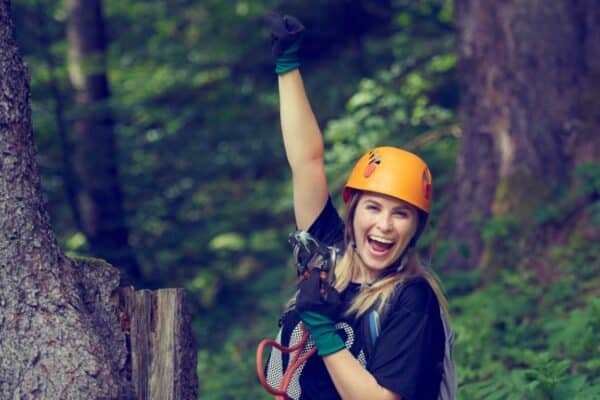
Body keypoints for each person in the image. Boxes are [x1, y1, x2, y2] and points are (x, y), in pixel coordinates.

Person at [267, 14, 452, 400]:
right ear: (352, 210)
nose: (384, 225)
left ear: (415, 228)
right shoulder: (327, 255)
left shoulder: (411, 299)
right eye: (374, 207)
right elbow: (307, 162)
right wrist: (287, 67)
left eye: (400, 213)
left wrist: (322, 330)